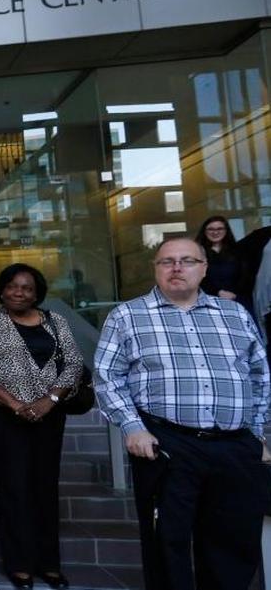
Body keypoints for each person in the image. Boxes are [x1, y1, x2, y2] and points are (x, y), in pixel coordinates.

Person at [94, 237, 269, 590]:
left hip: (235, 444)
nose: (177, 268)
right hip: (167, 443)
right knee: (167, 542)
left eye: (187, 260)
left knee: (233, 541)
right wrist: (132, 428)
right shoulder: (128, 315)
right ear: (156, 269)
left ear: (204, 268)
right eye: (167, 262)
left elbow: (259, 375)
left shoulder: (234, 314)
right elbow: (107, 378)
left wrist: (258, 432)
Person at [0, 264, 83, 590]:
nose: (20, 293)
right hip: (5, 417)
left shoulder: (55, 321)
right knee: (14, 487)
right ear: (2, 290)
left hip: (50, 415)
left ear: (37, 293)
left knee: (45, 487)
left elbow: (73, 364)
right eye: (13, 287)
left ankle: (49, 563)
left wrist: (50, 401)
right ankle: (19, 564)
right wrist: (15, 403)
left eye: (27, 288)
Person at [195, 216, 244, 304]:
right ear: (204, 231)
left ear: (226, 231)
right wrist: (218, 291)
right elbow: (195, 277)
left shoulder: (238, 251)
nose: (215, 232)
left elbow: (245, 277)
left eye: (220, 229)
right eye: (211, 229)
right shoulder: (196, 252)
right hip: (206, 299)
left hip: (236, 298)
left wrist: (235, 294)